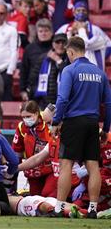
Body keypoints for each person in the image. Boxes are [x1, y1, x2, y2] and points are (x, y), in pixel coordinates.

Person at [50, 36, 111, 218]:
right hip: (93, 124)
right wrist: (106, 129)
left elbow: (62, 99)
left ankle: (59, 208)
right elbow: (108, 103)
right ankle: (93, 209)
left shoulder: (70, 70)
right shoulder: (99, 73)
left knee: (66, 164)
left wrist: (56, 121)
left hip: (73, 122)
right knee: (93, 166)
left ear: (70, 52)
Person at [12, 100, 57, 198]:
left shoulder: (48, 122)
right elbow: (17, 153)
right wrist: (14, 169)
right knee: (36, 198)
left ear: (36, 113)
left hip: (51, 169)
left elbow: (58, 104)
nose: (25, 120)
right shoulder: (21, 127)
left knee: (47, 194)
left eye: (28, 116)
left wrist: (48, 112)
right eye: (23, 117)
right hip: (33, 171)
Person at [56, 1, 111, 71]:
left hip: (91, 65)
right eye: (78, 10)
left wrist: (102, 55)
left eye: (83, 10)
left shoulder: (95, 29)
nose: (81, 13)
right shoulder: (65, 28)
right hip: (69, 64)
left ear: (87, 13)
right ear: (73, 12)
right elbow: (55, 43)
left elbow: (108, 44)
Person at [20, 18, 53, 103]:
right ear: (37, 33)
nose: (43, 34)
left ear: (51, 32)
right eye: (40, 31)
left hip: (52, 89)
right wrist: (23, 90)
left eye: (46, 31)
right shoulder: (29, 48)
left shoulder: (56, 48)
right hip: (34, 88)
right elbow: (24, 70)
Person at [34, 33, 70, 108]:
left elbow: (69, 76)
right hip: (45, 102)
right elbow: (33, 78)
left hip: (64, 103)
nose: (60, 45)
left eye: (63, 42)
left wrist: (59, 61)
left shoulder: (71, 59)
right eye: (57, 42)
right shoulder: (43, 58)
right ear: (53, 44)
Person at [8, 194, 86, 218]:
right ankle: (84, 213)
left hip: (23, 202)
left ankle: (69, 213)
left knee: (43, 206)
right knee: (60, 205)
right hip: (23, 202)